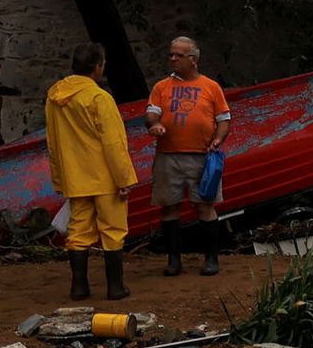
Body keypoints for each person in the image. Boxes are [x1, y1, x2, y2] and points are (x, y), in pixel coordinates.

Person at [42, 42, 134, 301]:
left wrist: (60, 178)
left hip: (75, 177)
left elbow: (53, 142)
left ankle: (79, 287)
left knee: (78, 231)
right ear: (98, 67)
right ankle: (115, 287)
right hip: (105, 176)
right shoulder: (99, 98)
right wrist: (123, 178)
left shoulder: (54, 97)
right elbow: (113, 143)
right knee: (113, 230)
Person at [147, 35, 231, 275]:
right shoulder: (162, 87)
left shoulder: (211, 86)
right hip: (168, 156)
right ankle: (174, 260)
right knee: (169, 206)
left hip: (202, 156)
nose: (172, 59)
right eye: (171, 54)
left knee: (205, 206)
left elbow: (223, 119)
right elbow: (151, 114)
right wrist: (154, 125)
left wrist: (218, 138)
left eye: (178, 55)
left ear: (193, 60)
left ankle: (211, 259)